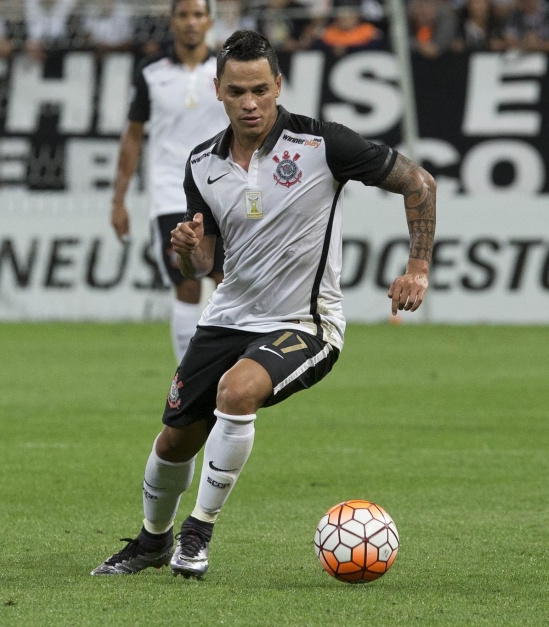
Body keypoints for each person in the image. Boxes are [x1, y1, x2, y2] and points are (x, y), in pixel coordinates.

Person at [92, 30, 436, 579]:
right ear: (219, 91)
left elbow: (418, 182)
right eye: (236, 92)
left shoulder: (324, 145)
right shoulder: (202, 163)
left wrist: (417, 267)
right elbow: (203, 265)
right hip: (228, 315)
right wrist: (185, 251)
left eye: (260, 89)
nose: (250, 103)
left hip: (306, 322)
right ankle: (151, 541)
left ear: (278, 84)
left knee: (237, 390)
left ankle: (196, 534)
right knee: (175, 438)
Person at [110, 0, 229, 366]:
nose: (191, 22)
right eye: (183, 15)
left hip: (225, 191)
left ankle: (232, 371)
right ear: (172, 21)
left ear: (209, 21)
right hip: (170, 194)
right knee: (188, 282)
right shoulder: (150, 72)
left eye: (198, 15)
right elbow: (133, 135)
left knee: (227, 282)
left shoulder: (227, 70)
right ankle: (186, 379)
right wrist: (119, 199)